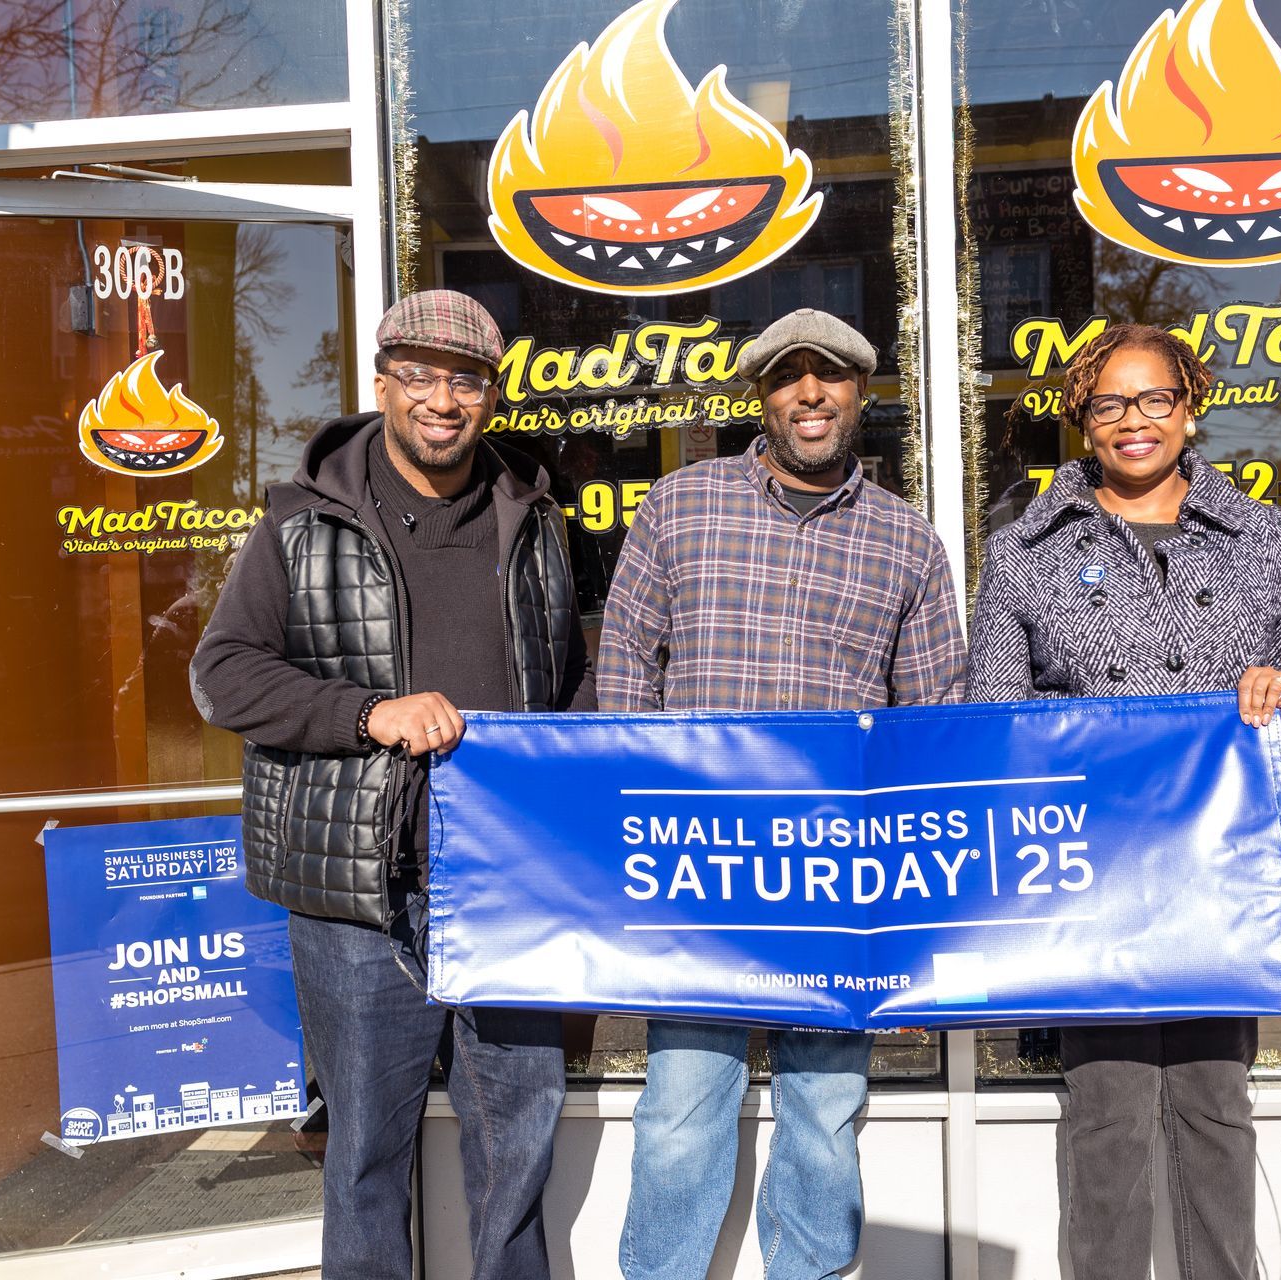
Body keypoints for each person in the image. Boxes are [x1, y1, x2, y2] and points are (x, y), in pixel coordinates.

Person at [190, 289, 594, 1280]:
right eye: (418, 374)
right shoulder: (300, 522)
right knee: (367, 1152)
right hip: (362, 898)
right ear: (381, 383)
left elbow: (568, 681)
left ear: (492, 393)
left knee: (518, 1148)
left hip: (509, 890)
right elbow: (225, 672)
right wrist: (368, 714)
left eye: (464, 378)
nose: (442, 398)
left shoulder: (536, 516)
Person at [599, 308, 967, 1279]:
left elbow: (933, 724)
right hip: (700, 867)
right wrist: (636, 822)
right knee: (681, 1108)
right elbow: (626, 673)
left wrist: (917, 907)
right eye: (787, 375)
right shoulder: (679, 507)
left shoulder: (908, 542)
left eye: (832, 373)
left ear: (860, 391)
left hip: (837, 881)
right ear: (761, 397)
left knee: (822, 1112)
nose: (810, 392)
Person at [963, 322, 1281, 1279]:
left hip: (1219, 872)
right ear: (1083, 422)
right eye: (1109, 404)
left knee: (1218, 1103)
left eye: (1154, 399)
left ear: (1190, 406)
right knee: (1108, 1114)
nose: (1134, 422)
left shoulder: (1258, 533)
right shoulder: (1023, 555)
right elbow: (996, 723)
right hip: (1097, 880)